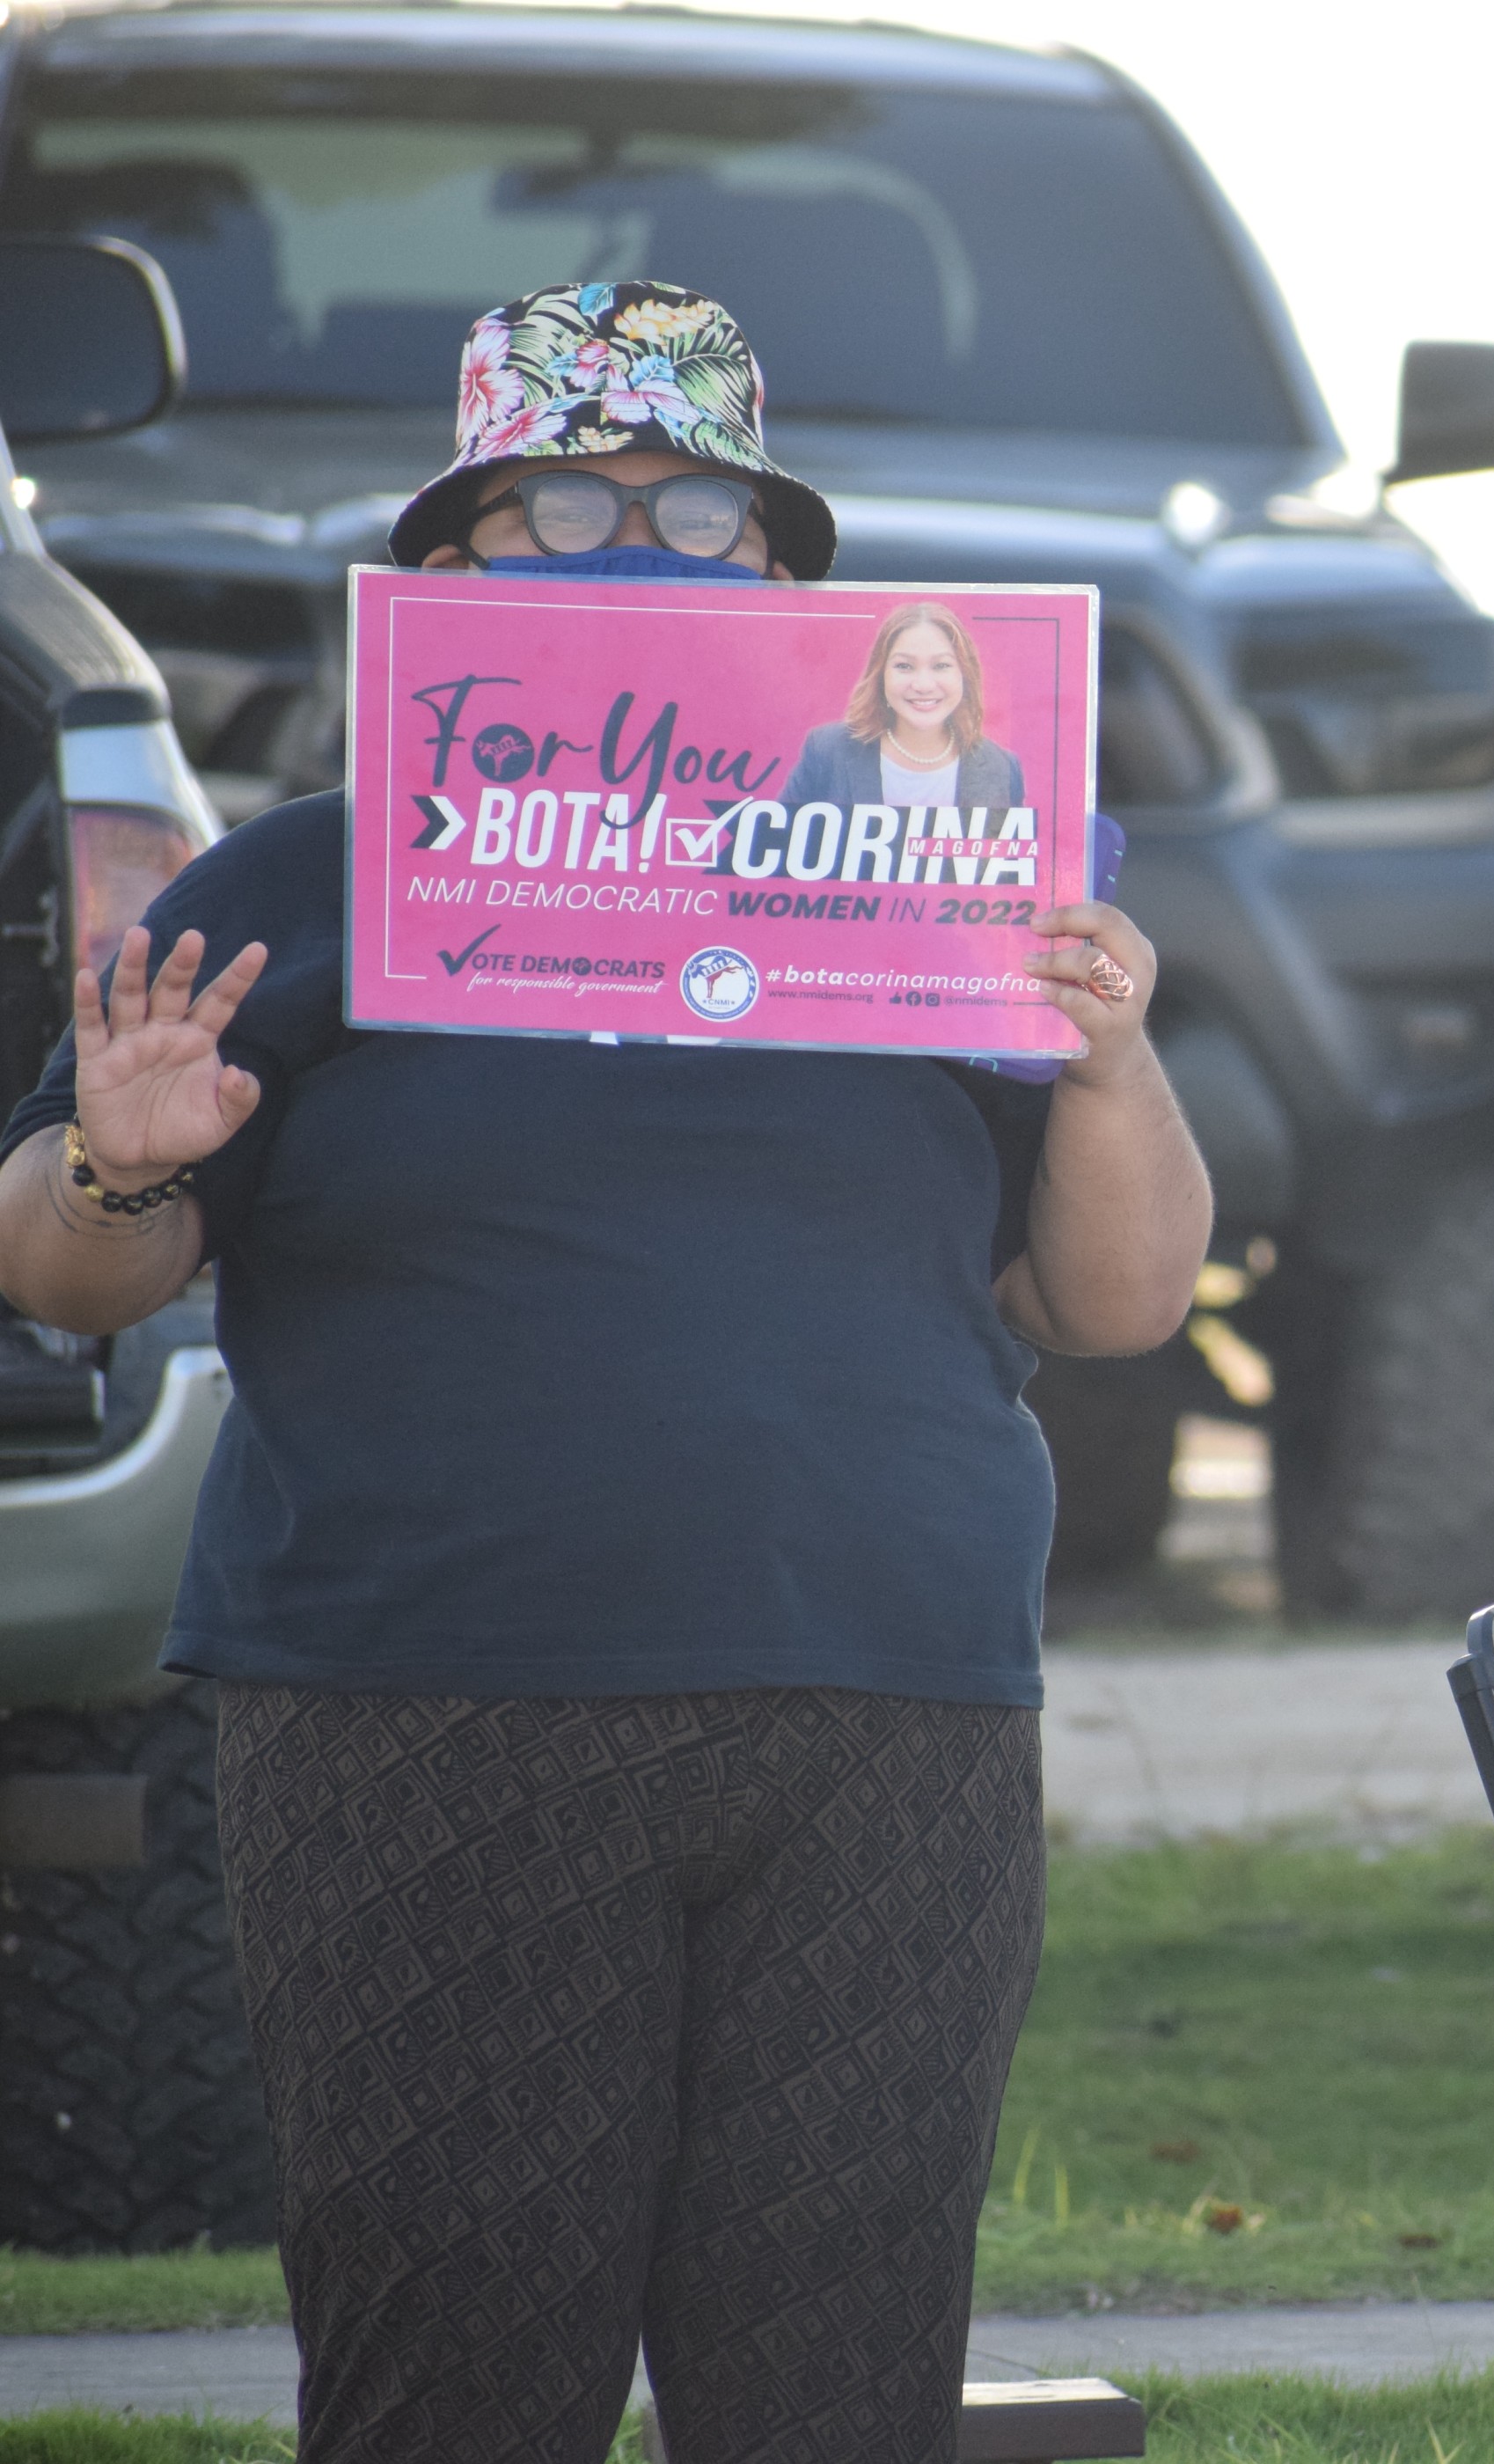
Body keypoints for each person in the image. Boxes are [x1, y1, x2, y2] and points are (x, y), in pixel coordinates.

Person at [0, 279, 1211, 2464]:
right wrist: (117, 1155)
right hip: (428, 1721)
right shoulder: (295, 883)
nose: (635, 549)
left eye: (695, 510)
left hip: (884, 1714)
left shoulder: (944, 871)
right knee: (456, 2383)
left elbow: (1114, 1303)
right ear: (444, 560)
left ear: (786, 571)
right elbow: (69, 1277)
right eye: (563, 506)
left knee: (836, 2391)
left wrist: (1110, 1057)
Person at [782, 598, 1030, 815]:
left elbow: (1009, 865)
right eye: (904, 666)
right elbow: (776, 848)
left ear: (964, 674)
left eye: (941, 666)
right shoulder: (827, 750)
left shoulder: (1002, 768)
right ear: (881, 674)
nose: (923, 685)